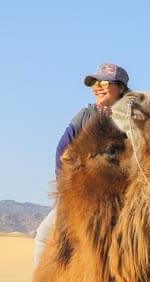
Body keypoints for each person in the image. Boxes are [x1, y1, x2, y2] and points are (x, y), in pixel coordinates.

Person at [33, 63, 130, 265]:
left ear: (121, 87)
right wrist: (66, 190)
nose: (98, 88)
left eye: (104, 82)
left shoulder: (132, 118)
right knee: (44, 235)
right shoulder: (85, 115)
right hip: (82, 193)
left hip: (122, 196)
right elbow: (63, 149)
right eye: (94, 84)